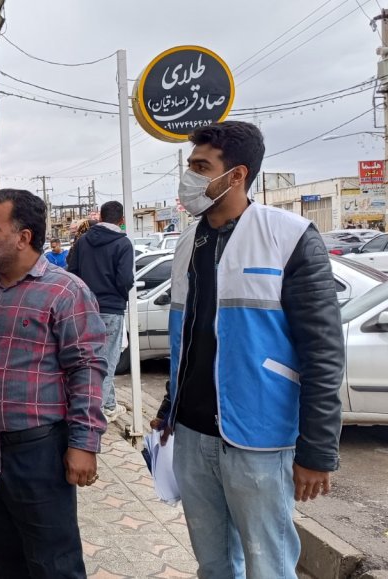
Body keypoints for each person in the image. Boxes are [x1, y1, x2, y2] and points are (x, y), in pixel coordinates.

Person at [155, 121, 344, 578]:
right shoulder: (188, 241)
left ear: (236, 175)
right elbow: (189, 337)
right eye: (190, 166)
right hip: (193, 434)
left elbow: (323, 352)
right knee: (213, 564)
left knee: (268, 565)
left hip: (259, 438)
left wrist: (317, 451)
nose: (190, 177)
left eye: (201, 167)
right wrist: (168, 407)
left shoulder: (290, 236)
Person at [0, 189, 108, 578]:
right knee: (5, 556)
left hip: (39, 452)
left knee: (54, 562)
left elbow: (87, 369)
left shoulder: (65, 291)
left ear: (23, 237)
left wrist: (84, 444)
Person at [67, 201, 134, 422]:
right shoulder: (123, 243)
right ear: (122, 221)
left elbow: (72, 272)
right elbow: (125, 279)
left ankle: (110, 404)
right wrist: (120, 296)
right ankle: (95, 415)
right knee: (107, 362)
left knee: (90, 361)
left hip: (85, 309)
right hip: (111, 309)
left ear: (101, 217)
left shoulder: (83, 241)